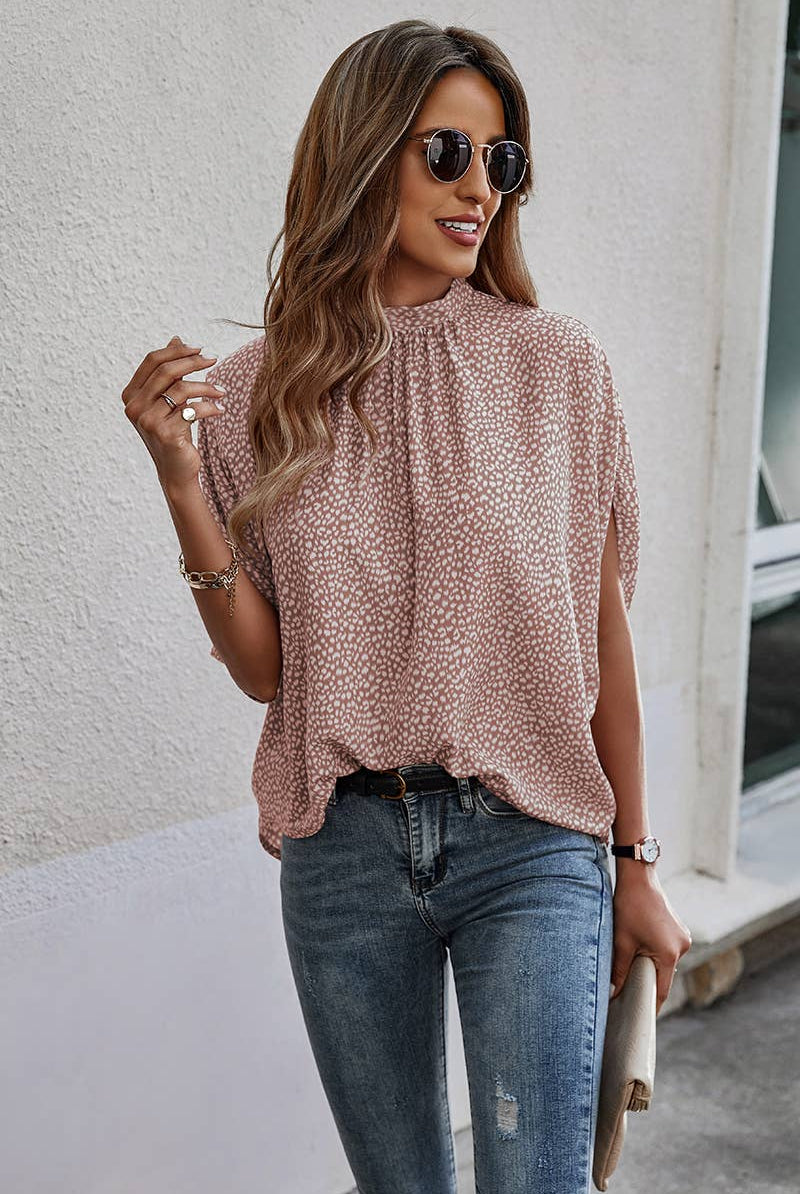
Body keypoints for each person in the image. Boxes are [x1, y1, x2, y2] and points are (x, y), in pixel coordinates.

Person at [123, 19, 692, 1194]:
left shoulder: (556, 367)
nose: (479, 187)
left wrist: (634, 862)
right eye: (448, 153)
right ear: (364, 152)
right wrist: (182, 485)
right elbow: (268, 674)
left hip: (531, 838)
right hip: (345, 855)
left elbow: (601, 640)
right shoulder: (250, 397)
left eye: (503, 161)